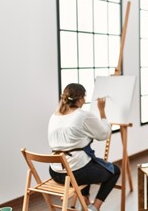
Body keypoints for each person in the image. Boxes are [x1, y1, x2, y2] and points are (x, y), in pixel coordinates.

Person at [48, 83, 120, 211]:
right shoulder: (82, 115)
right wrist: (102, 111)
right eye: (84, 98)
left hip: (55, 172)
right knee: (114, 171)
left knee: (86, 161)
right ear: (80, 99)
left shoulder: (54, 116)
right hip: (74, 174)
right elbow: (104, 134)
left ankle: (85, 200)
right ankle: (94, 208)